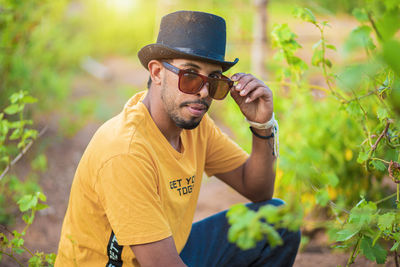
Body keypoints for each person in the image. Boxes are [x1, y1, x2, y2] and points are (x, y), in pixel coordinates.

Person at [55, 10, 300, 267]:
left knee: (277, 223)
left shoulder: (196, 126)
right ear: (157, 72)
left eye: (214, 80)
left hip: (172, 252)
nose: (204, 92)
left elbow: (258, 189)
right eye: (190, 76)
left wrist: (261, 124)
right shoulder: (125, 151)